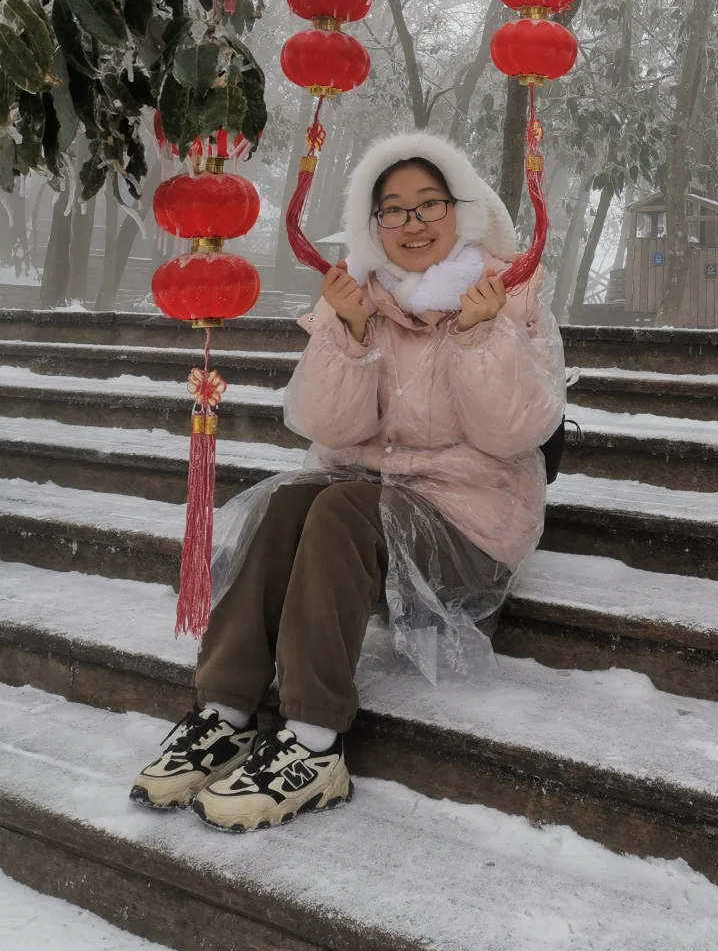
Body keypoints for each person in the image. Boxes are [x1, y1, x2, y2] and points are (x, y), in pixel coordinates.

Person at [130, 132, 564, 831]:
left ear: (460, 211)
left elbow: (514, 433)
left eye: (430, 204)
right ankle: (227, 710)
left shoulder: (506, 297)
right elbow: (320, 426)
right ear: (373, 224)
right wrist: (352, 335)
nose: (413, 223)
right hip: (363, 509)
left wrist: (480, 334)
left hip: (468, 521)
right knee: (292, 500)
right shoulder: (358, 297)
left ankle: (312, 740)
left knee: (340, 508)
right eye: (393, 210)